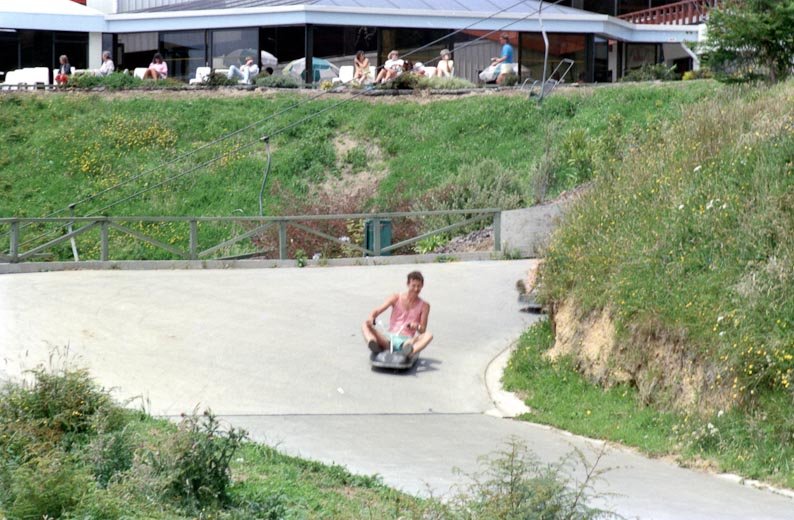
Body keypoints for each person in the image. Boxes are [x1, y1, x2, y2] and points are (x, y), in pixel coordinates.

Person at [362, 271, 433, 358]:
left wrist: (417, 326)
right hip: (389, 338)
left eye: (419, 286)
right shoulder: (396, 297)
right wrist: (371, 318)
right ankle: (373, 344)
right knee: (365, 325)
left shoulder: (425, 306)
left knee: (428, 335)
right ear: (408, 284)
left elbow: (422, 330)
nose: (416, 289)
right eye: (413, 285)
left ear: (422, 286)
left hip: (406, 340)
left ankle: (409, 351)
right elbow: (377, 311)